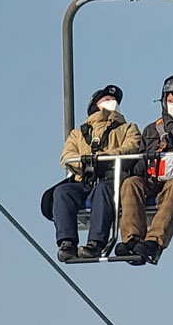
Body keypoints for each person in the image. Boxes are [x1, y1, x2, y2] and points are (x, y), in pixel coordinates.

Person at [114, 74, 173, 265]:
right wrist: (145, 164)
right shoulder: (151, 130)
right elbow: (138, 159)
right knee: (131, 183)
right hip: (151, 179)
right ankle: (132, 239)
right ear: (164, 101)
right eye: (172, 100)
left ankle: (154, 242)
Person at [52, 83, 140, 261]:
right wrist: (84, 163)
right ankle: (67, 242)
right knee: (62, 192)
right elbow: (67, 155)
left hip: (111, 179)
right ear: (96, 105)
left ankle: (96, 242)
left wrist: (105, 158)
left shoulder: (127, 128)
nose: (112, 103)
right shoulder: (78, 134)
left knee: (103, 191)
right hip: (84, 179)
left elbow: (132, 147)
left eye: (114, 101)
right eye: (107, 100)